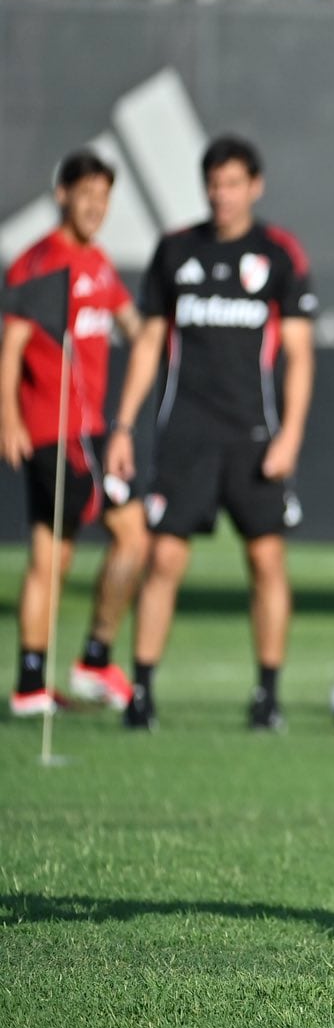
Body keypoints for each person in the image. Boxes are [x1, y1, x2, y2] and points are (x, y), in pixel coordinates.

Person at [105, 136, 316, 731]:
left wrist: (291, 434)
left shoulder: (278, 254)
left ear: (255, 186)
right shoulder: (176, 250)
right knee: (164, 559)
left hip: (254, 434)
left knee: (266, 561)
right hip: (186, 433)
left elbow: (299, 354)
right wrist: (124, 425)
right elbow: (149, 343)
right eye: (214, 185)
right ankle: (142, 692)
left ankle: (267, 697)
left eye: (233, 184)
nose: (222, 196)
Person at [2, 151, 149, 716]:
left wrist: (158, 331)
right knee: (113, 537)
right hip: (54, 431)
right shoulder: (41, 262)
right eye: (86, 195)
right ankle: (83, 665)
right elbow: (12, 346)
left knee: (63, 553)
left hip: (88, 432)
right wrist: (8, 417)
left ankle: (37, 682)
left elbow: (133, 324)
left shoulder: (99, 261)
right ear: (62, 195)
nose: (95, 207)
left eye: (103, 197)